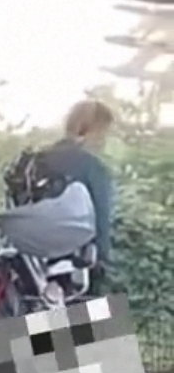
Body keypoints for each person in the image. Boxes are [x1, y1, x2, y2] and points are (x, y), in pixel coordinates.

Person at [42, 99, 116, 274]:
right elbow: (101, 218)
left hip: (30, 260)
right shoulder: (92, 167)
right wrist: (103, 259)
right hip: (76, 261)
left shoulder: (37, 159)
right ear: (94, 131)